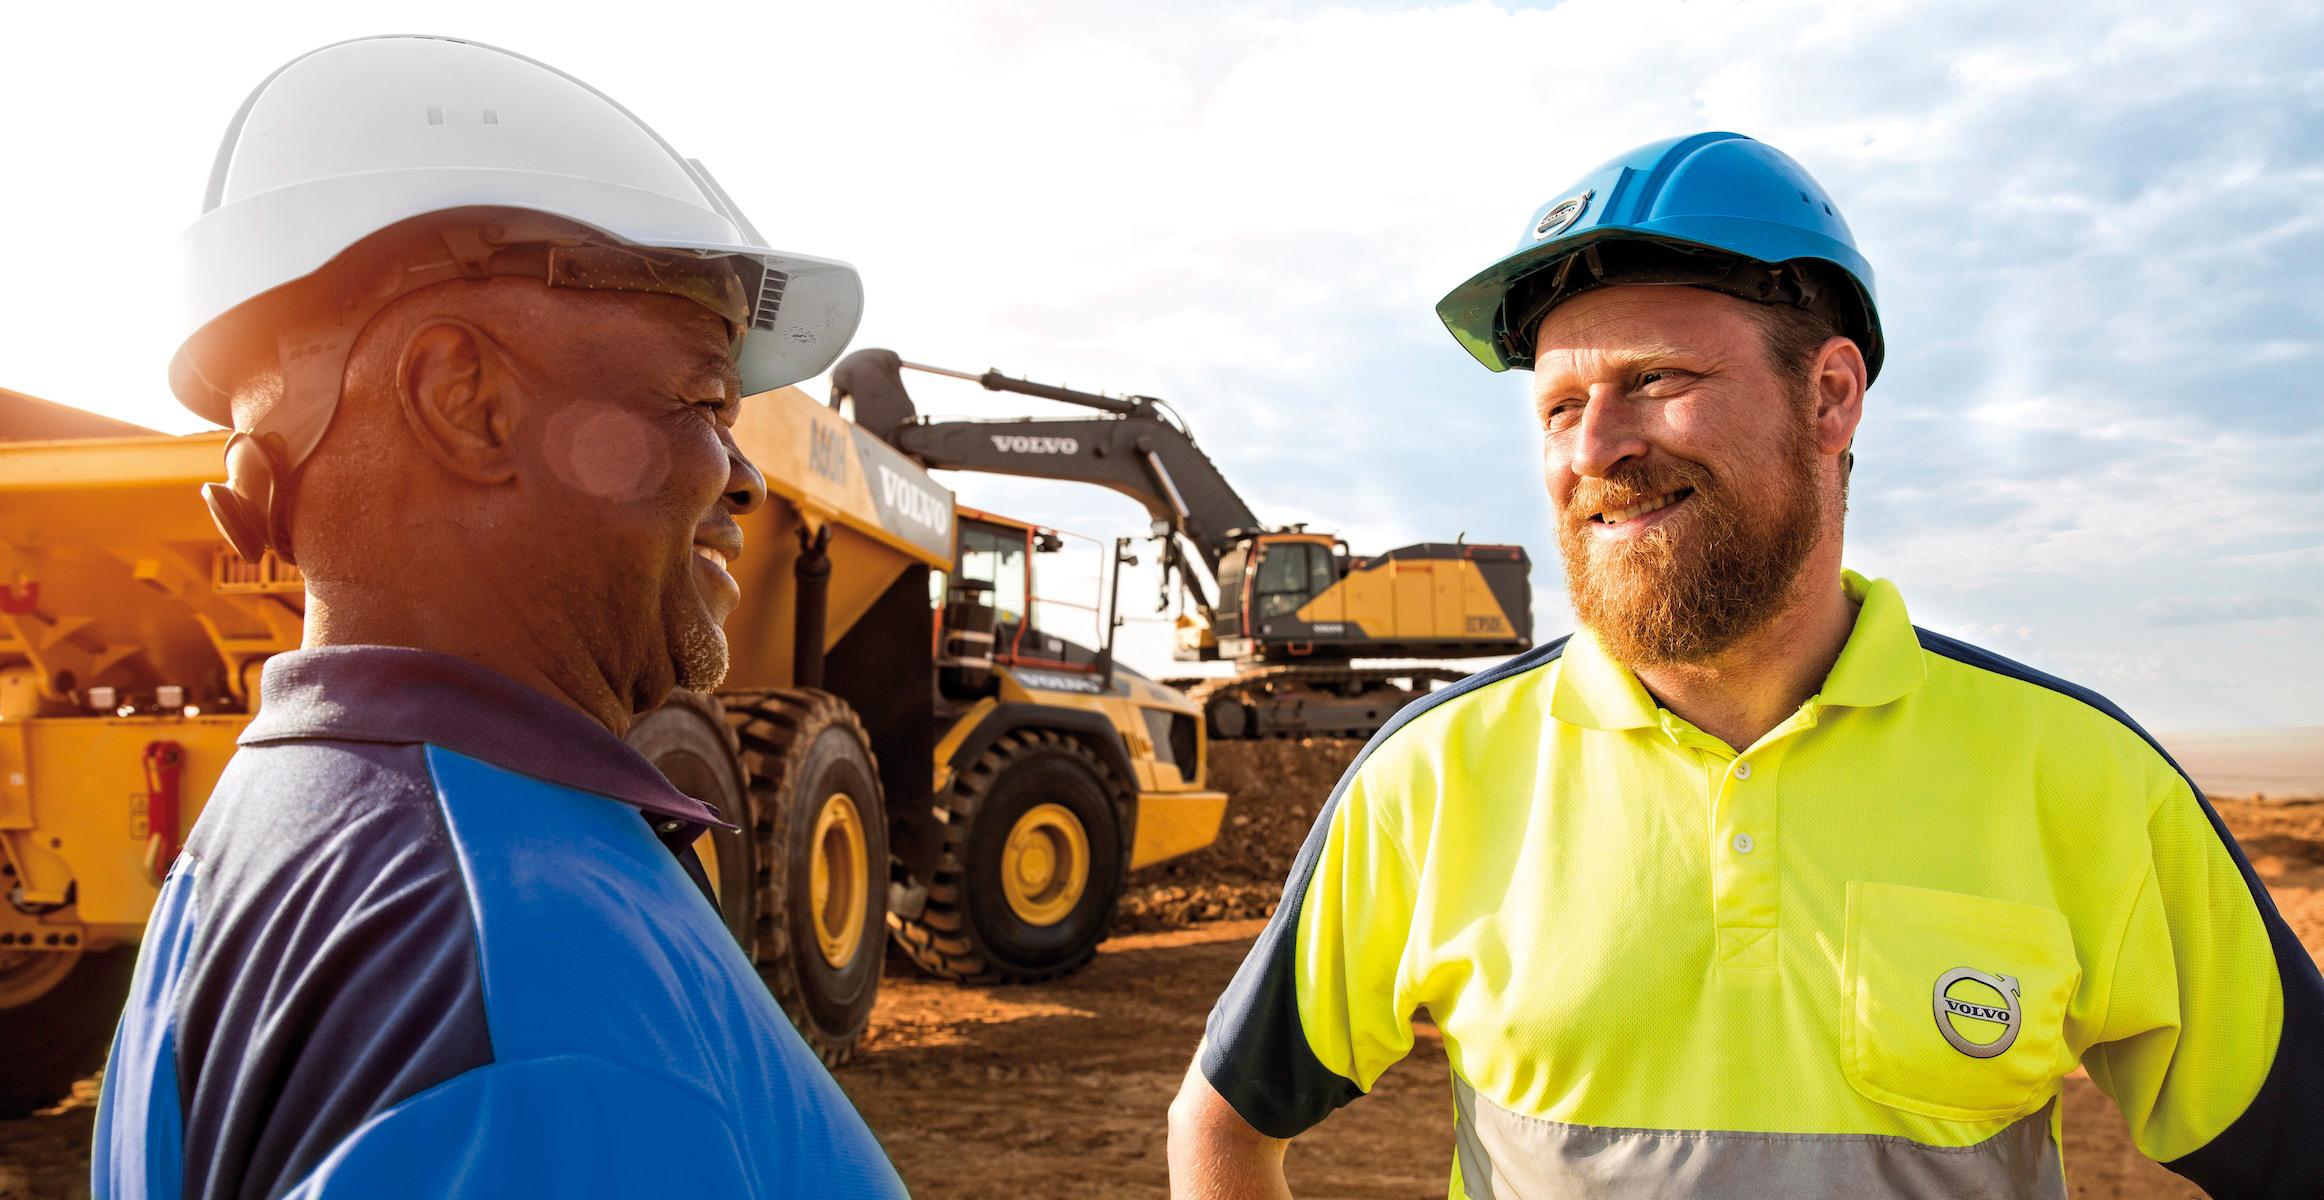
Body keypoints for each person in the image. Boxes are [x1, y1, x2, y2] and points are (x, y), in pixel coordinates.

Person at [1168, 132, 2323, 1199]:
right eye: (1559, 405)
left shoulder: (2084, 781)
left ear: (1829, 397)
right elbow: (1222, 1123)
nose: (1594, 449)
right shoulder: (1431, 777)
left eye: (1656, 381)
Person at [93, 36, 905, 1199]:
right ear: (466, 404)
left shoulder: (261, 850)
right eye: (699, 398)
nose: (745, 477)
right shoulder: (532, 976)